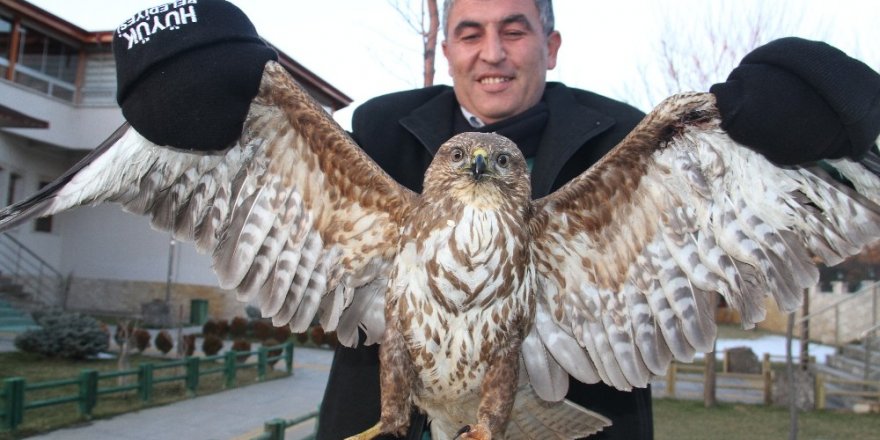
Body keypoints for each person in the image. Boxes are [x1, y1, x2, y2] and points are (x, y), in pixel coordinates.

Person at [315, 0, 880, 439]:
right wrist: (232, 76)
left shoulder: (626, 138)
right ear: (447, 48)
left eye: (514, 30)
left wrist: (836, 115)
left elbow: (740, 179)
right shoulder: (379, 130)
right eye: (470, 32)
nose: (492, 52)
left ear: (551, 44)